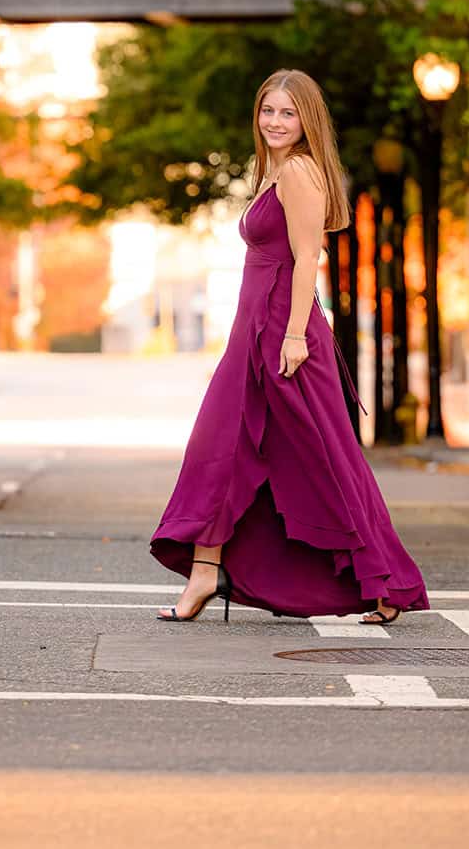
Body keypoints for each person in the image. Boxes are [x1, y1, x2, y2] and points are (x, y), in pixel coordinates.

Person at [152, 68, 429, 626]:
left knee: (324, 455)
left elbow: (308, 258)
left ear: (306, 121)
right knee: (223, 445)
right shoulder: (273, 171)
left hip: (285, 333)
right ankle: (207, 567)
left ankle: (383, 584)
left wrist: (297, 335)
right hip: (251, 332)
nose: (275, 122)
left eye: (287, 113)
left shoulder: (300, 171)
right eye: (268, 111)